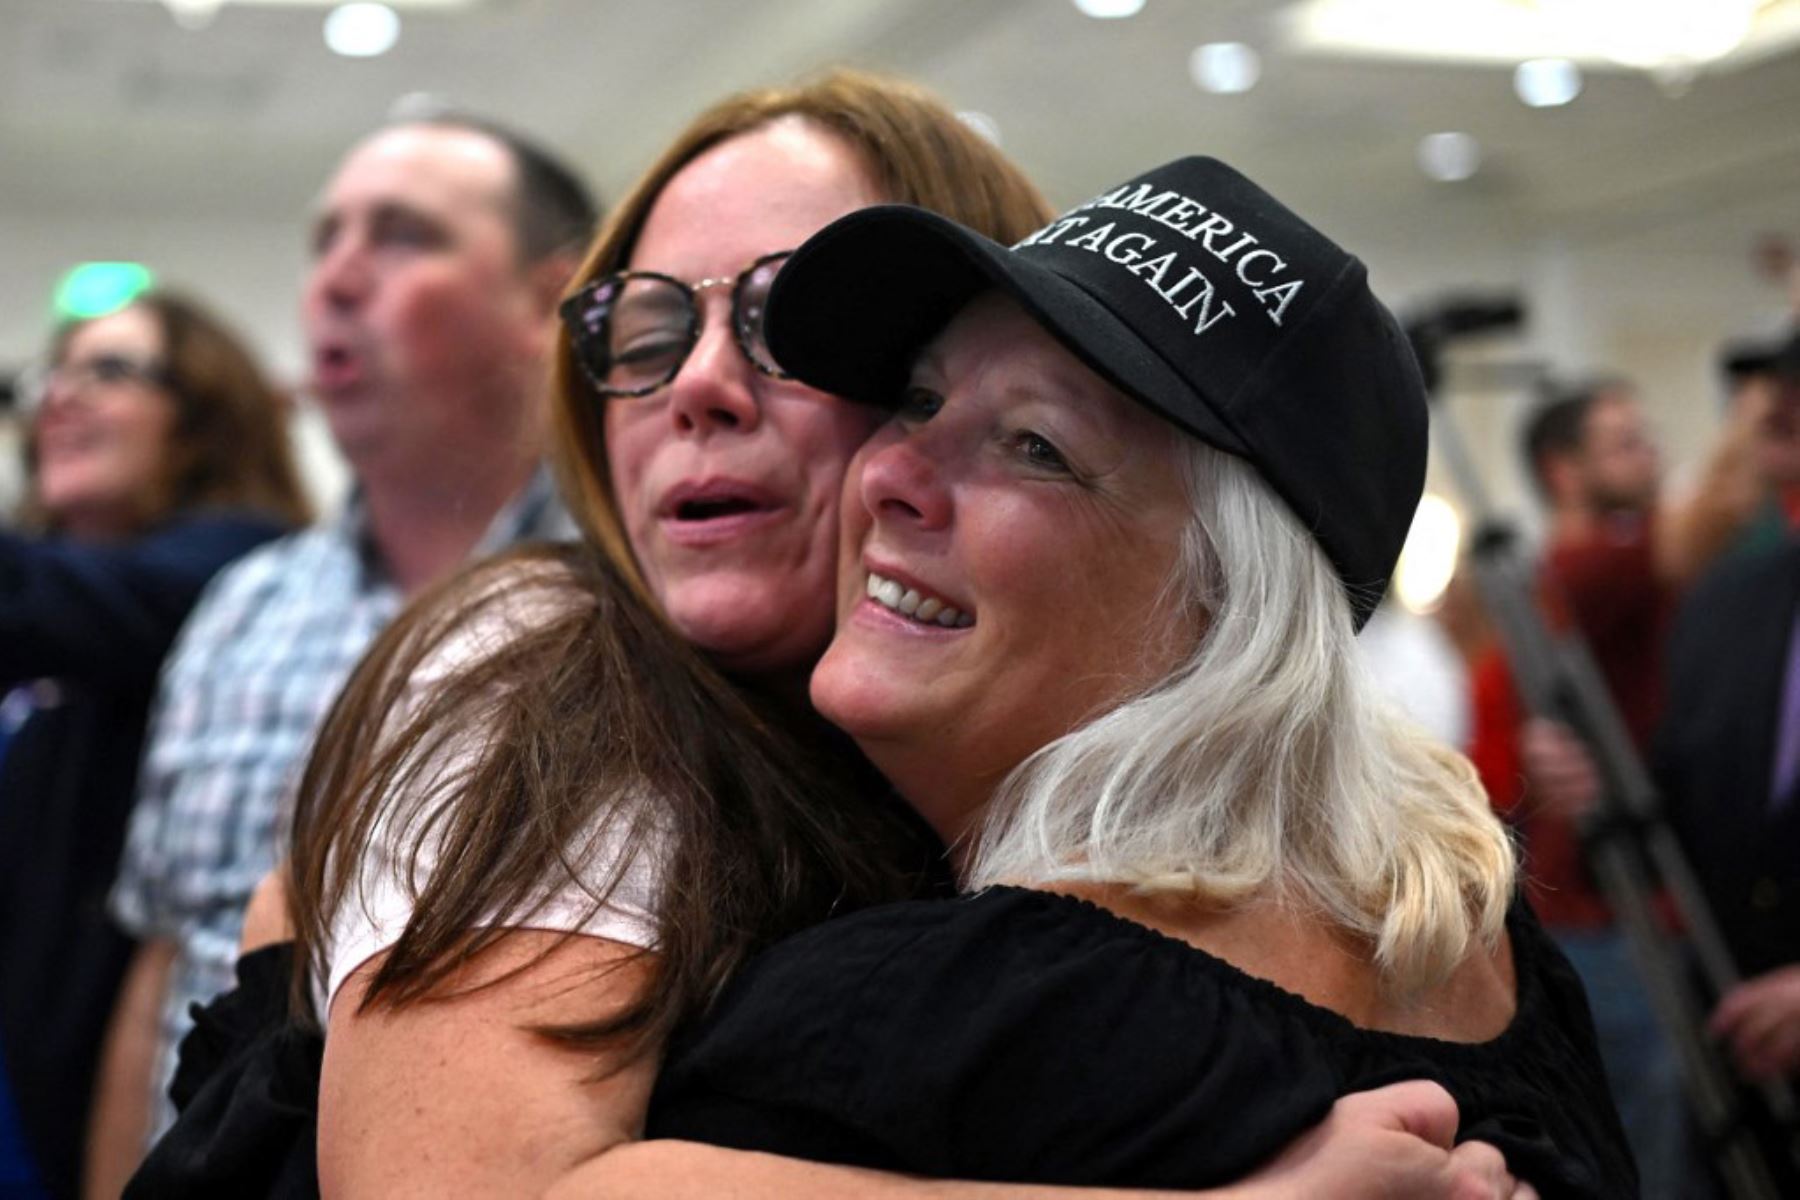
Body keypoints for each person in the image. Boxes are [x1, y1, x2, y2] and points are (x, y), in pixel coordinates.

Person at [137, 75, 1529, 1200]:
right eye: (649, 326)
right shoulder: (556, 667)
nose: (694, 387)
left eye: (780, 322)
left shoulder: (1112, 829)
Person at [616, 156, 1634, 1194]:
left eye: (1033, 445)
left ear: (1231, 607)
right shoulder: (1495, 956)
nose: (885, 473)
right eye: (919, 399)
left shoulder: (922, 1021)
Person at [86, 113, 595, 1191]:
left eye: (404, 236)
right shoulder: (242, 607)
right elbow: (161, 971)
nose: (338, 278)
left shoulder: (630, 602)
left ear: (550, 300)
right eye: (327, 240)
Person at [0, 290, 309, 1198]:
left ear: (204, 418)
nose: (60, 396)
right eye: (53, 375)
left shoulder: (242, 575)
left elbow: (78, 604)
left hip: (89, 1099)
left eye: (111, 371)